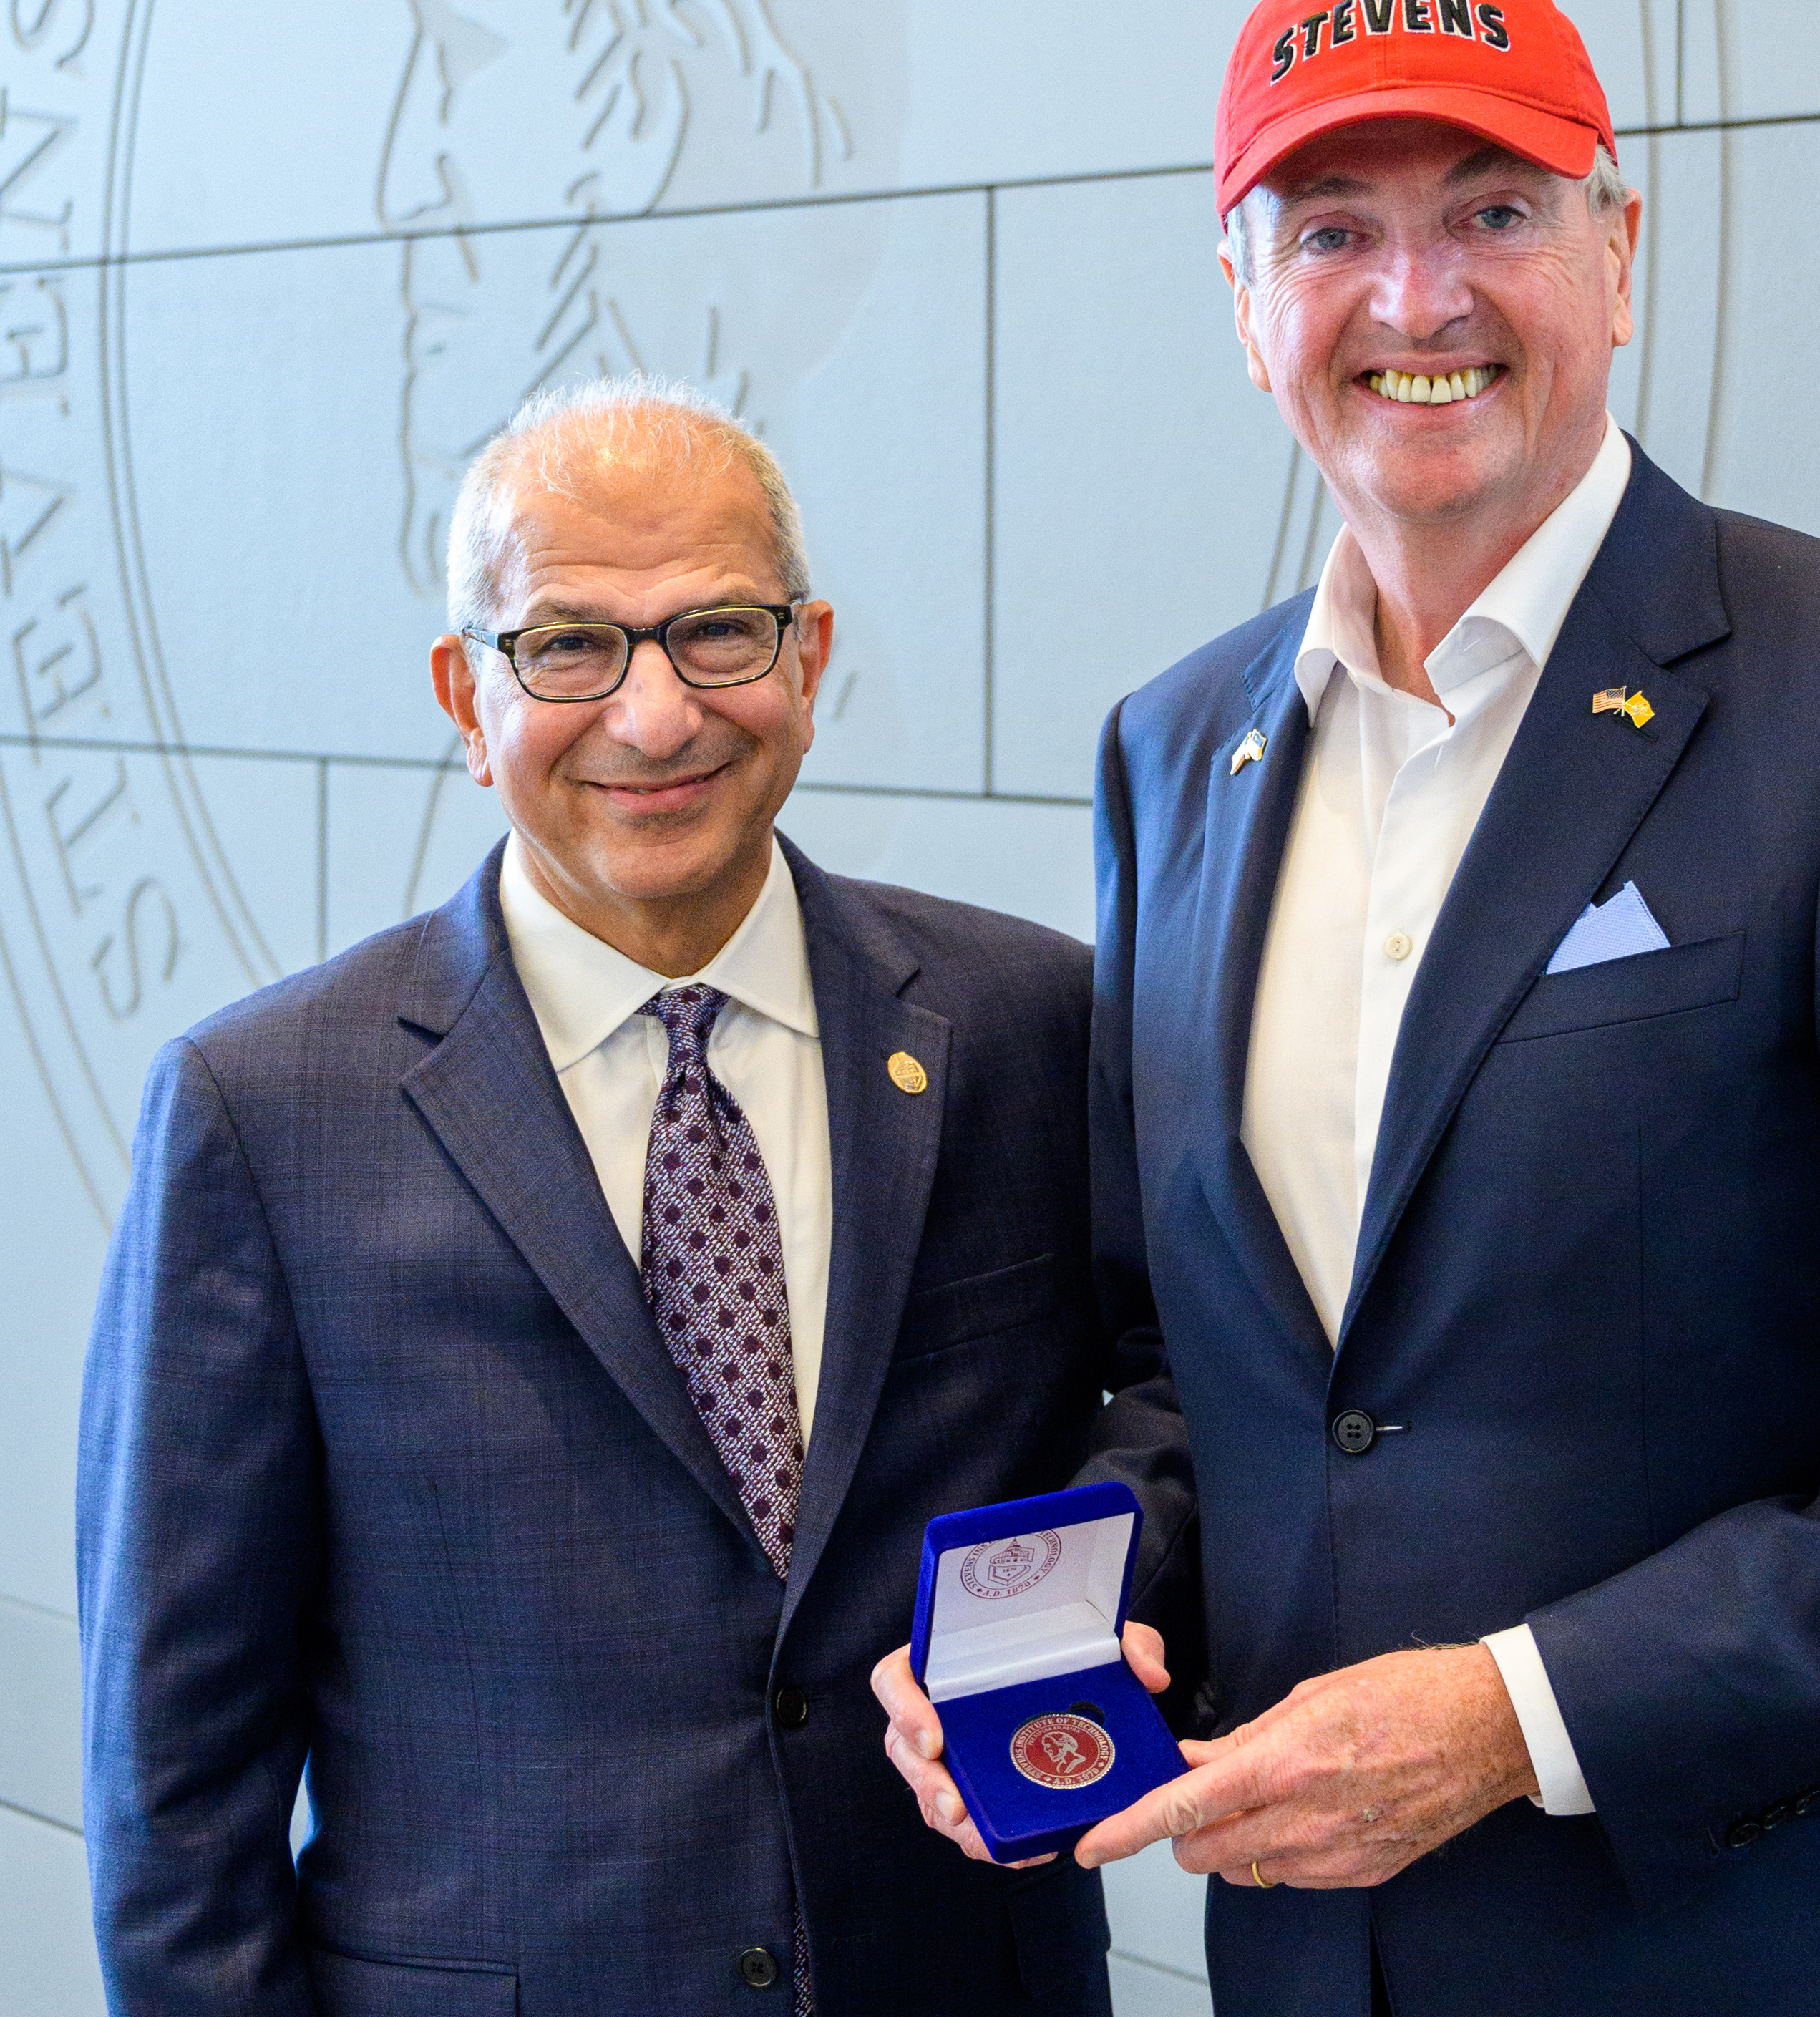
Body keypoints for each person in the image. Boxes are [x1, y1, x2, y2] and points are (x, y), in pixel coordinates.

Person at [877, 0, 1820, 2013]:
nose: (1418, 303)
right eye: (1336, 233)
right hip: (1329, 1964)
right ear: (1245, 306)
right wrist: (1043, 1634)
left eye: (1492, 213)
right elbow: (1198, 1375)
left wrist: (1518, 1717)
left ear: (1619, 251)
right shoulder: (1174, 752)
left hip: (1802, 1953)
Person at [79, 378, 1116, 2015]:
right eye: (568, 646)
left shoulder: (1031, 1028)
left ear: (810, 659)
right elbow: (174, 1777)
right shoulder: (265, 1115)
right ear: (463, 697)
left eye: (718, 631)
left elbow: (1170, 1417)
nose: (654, 716)